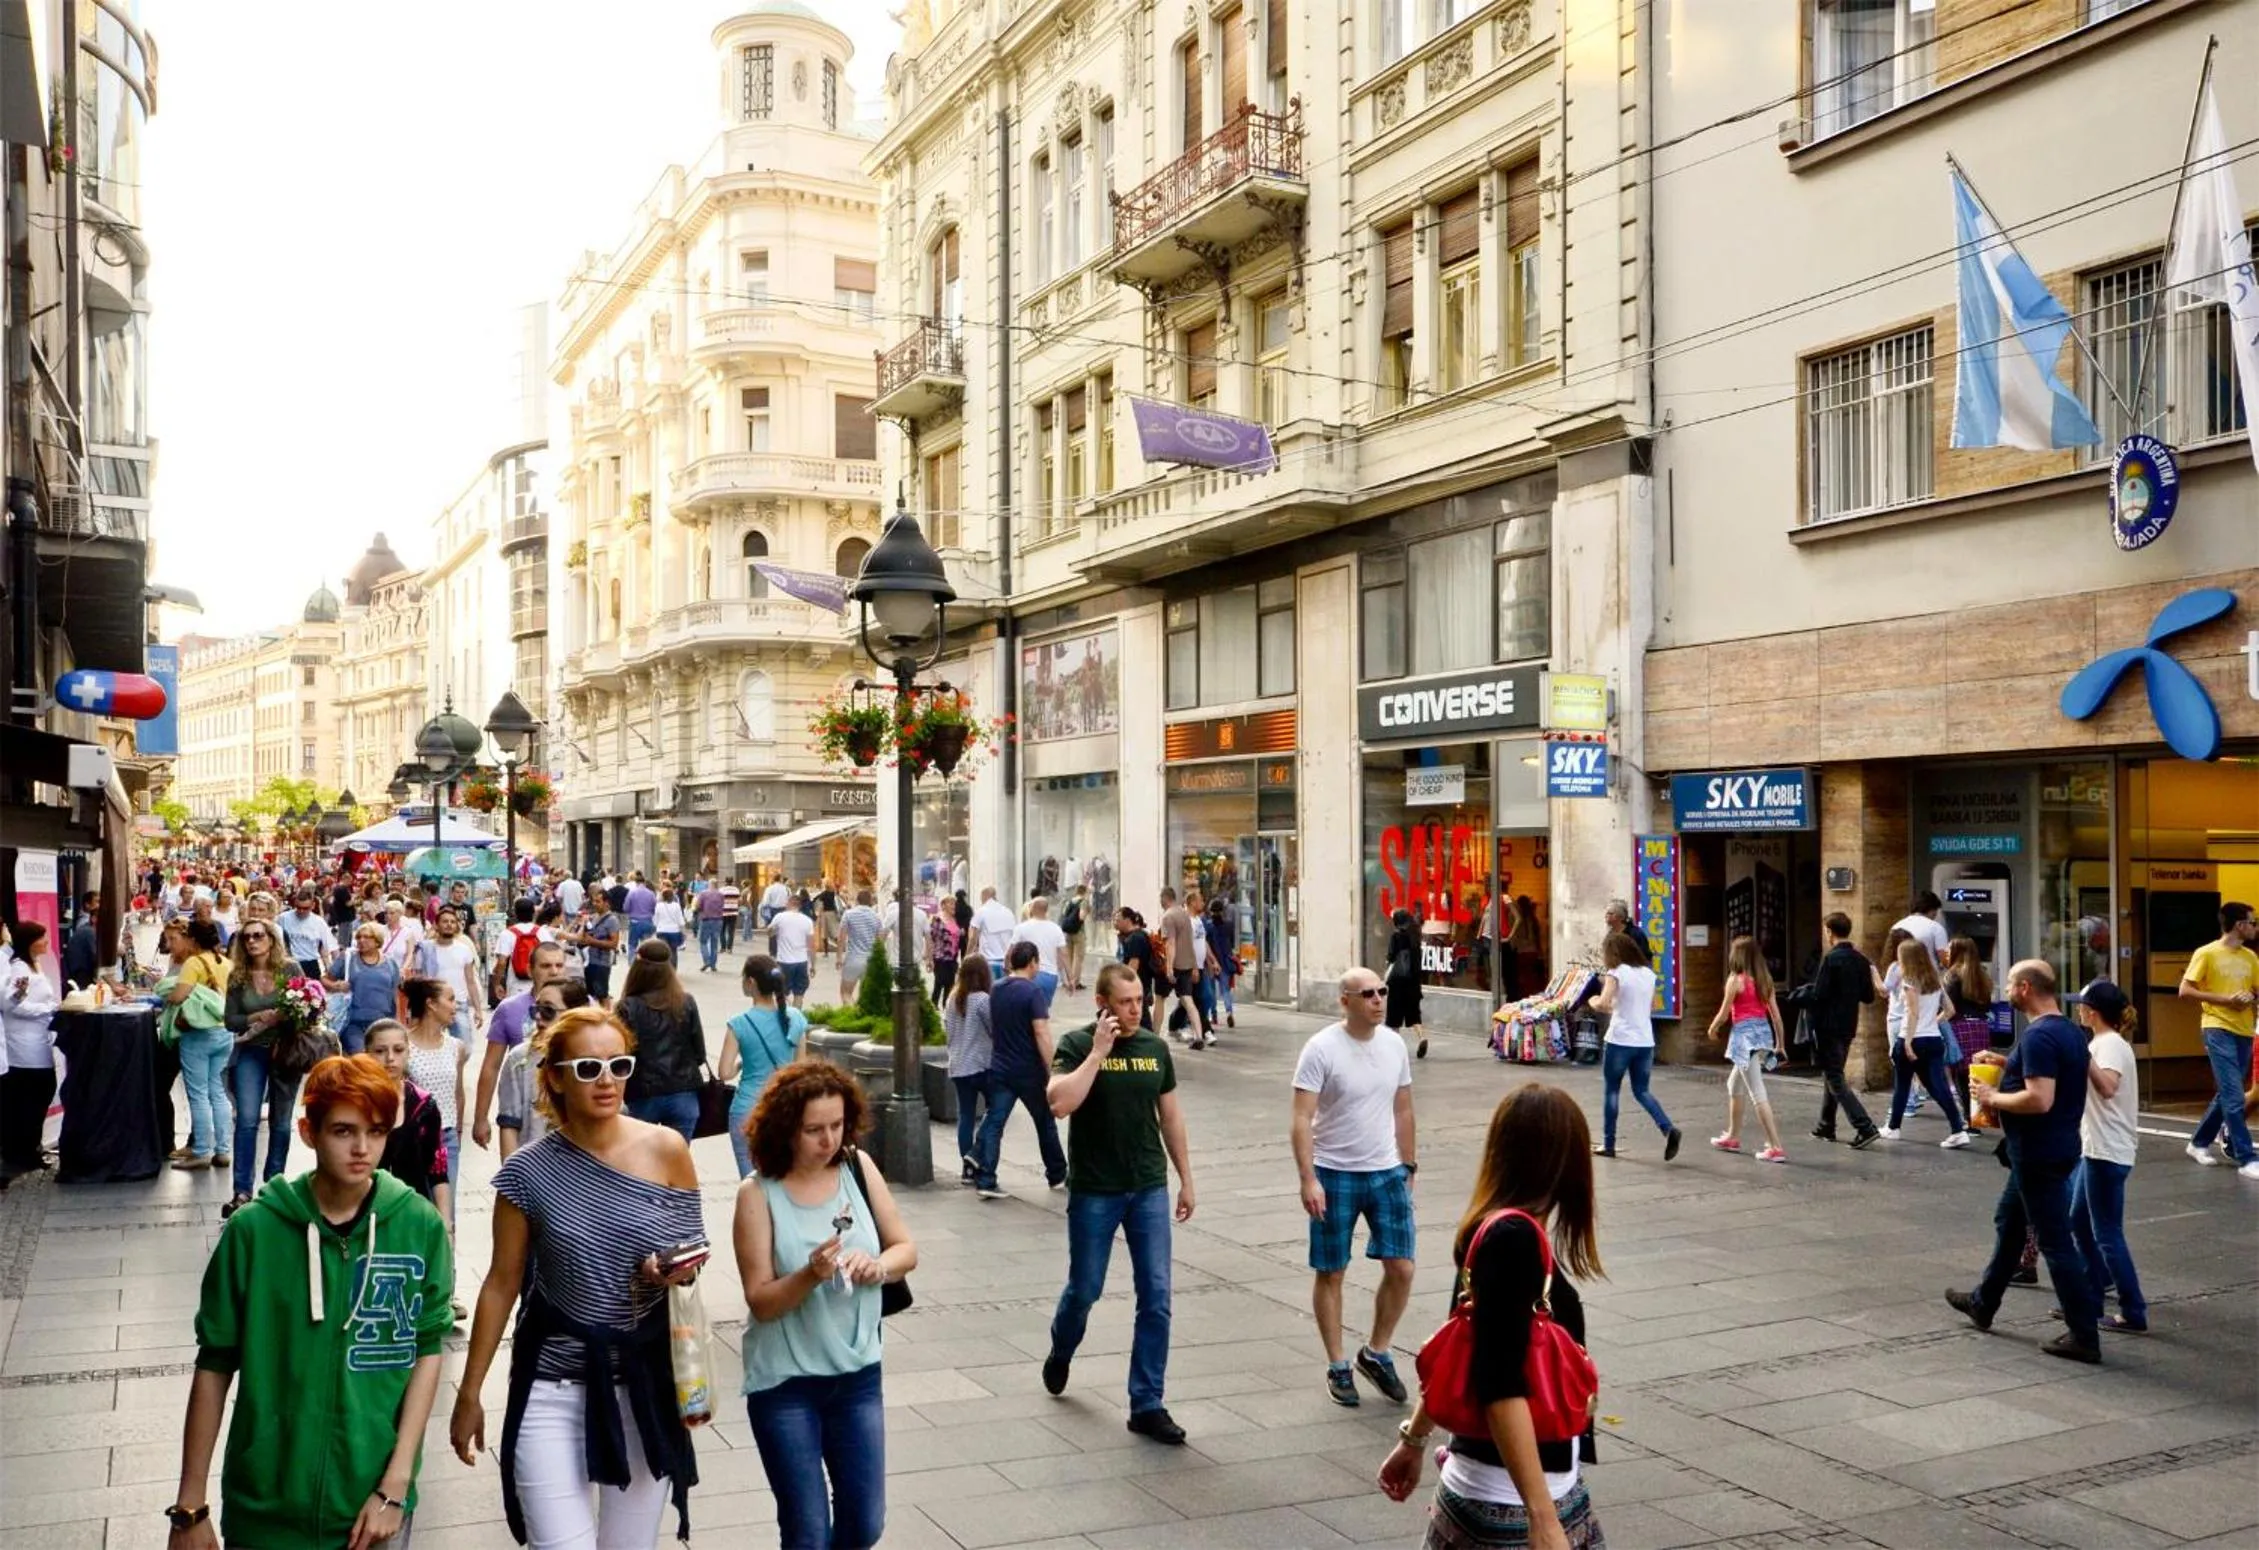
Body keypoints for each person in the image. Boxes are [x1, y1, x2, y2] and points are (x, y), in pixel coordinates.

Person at [165, 1055, 452, 1550]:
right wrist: (190, 1508)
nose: (363, 1148)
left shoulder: (418, 1225)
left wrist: (397, 1482)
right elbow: (214, 1364)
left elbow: (427, 1348)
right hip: (266, 1507)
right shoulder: (253, 1231)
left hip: (372, 1506)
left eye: (377, 1131)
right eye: (344, 1131)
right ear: (307, 1131)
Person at [450, 1007, 706, 1548]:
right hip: (552, 1385)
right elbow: (501, 1282)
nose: (608, 1079)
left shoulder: (667, 1149)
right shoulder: (526, 1172)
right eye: (589, 1068)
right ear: (557, 1077)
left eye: (619, 1064)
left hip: (641, 1384)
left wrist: (666, 1268)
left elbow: (691, 1252)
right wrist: (470, 1392)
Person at [1376, 1083, 1606, 1550]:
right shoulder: (1512, 1241)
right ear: (1559, 1162)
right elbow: (1499, 1381)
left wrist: (1414, 1439)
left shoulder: (1494, 1228)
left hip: (1512, 1490)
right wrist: (1541, 1519)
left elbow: (1460, 1349)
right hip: (1511, 1502)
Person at [733, 1060, 918, 1549]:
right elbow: (761, 1301)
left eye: (836, 1125)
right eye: (813, 1129)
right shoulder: (757, 1193)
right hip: (785, 1385)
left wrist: (879, 1266)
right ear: (785, 1128)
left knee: (865, 1523)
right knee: (808, 1532)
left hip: (857, 1375)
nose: (828, 1140)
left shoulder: (858, 1167)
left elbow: (905, 1249)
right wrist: (810, 1275)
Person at [1039, 962, 1196, 1445]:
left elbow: (1170, 1116)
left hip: (1147, 1185)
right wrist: (1098, 1055)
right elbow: (1058, 1103)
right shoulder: (1076, 1044)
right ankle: (1062, 1348)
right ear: (1102, 1004)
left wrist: (1186, 1179)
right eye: (1126, 1002)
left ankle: (1146, 1403)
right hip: (1095, 1189)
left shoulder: (1155, 1048)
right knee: (1085, 1289)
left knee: (1157, 1296)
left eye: (1140, 1001)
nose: (1136, 1010)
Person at [1950, 959, 2102, 1363]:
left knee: (2055, 1242)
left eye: (2011, 983)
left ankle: (2085, 1334)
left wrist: (1992, 1098)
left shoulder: (2039, 1038)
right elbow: (2068, 1076)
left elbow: (2040, 1099)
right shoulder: (2070, 1030)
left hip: (2039, 1152)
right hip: (2050, 1148)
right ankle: (1984, 1302)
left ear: (2026, 989)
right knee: (2010, 1222)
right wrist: (2007, 1063)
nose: (2006, 989)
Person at [1293, 967, 1417, 1409]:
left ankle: (1377, 1352)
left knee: (1402, 1267)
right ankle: (1338, 1364)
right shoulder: (1321, 1049)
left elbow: (1403, 1108)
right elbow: (1301, 1119)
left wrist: (1409, 1163)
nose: (1379, 1000)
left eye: (1382, 991)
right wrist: (1308, 1178)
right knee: (1332, 1271)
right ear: (1345, 1001)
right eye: (1368, 994)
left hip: (1386, 1171)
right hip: (1334, 1172)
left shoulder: (1394, 1044)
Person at [2067, 980, 2147, 1334]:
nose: (2077, 1010)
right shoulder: (2100, 1043)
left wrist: (2082, 1056)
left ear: (2093, 1012)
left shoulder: (2110, 1045)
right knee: (2079, 1221)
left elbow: (2109, 1087)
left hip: (2108, 1151)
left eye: (2081, 1005)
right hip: (2096, 1148)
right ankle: (2089, 1298)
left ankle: (2133, 1311)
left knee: (2107, 1233)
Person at [971, 942, 1067, 1199]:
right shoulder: (1032, 992)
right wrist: (1054, 1068)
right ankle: (1057, 1174)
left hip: (1001, 1067)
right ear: (1033, 961)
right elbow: (1041, 1032)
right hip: (1029, 1070)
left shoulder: (997, 988)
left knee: (994, 1122)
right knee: (1045, 1123)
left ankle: (986, 1178)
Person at [2180, 902, 2259, 1176]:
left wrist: (2250, 997)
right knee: (2234, 1094)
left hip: (2244, 1029)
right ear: (2239, 925)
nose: (2255, 927)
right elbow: (2185, 990)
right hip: (2216, 1027)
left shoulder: (2250, 957)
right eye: (2252, 922)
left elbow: (2256, 989)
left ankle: (2199, 1142)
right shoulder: (2207, 953)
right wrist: (2225, 1000)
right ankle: (2245, 1156)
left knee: (2229, 1091)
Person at [1592, 931, 1679, 1161]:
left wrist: (1593, 1002)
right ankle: (1667, 1127)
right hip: (1645, 1040)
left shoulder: (1616, 973)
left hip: (1620, 1039)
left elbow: (1603, 1003)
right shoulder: (1648, 974)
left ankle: (1608, 1143)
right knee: (1642, 1090)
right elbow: (1645, 1008)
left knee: (1612, 1090)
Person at [720, 954, 808, 1179]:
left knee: (751, 1182)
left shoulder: (739, 1024)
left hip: (746, 1109)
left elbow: (724, 1073)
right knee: (785, 1178)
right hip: (784, 1108)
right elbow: (801, 1069)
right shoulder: (796, 1018)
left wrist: (742, 1064)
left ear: (751, 983)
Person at [473, 940, 565, 1151]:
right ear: (530, 970)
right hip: (524, 1116)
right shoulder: (509, 1009)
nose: (554, 971)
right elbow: (492, 1065)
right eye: (545, 966)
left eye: (559, 965)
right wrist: (480, 1118)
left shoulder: (583, 1005)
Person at [615, 937, 709, 1142]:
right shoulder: (686, 1002)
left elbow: (620, 1055)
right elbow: (699, 1054)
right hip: (683, 1092)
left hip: (642, 1093)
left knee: (640, 1163)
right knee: (676, 1161)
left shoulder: (627, 1007)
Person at [1880, 939, 1972, 1148]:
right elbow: (1950, 1011)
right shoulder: (1935, 982)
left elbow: (1913, 1013)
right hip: (1933, 1039)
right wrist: (1932, 1022)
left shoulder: (1910, 983)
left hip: (1911, 1037)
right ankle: (1958, 1129)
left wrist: (1909, 1042)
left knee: (1902, 1084)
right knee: (1938, 1086)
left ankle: (1893, 1127)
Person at [1705, 935, 1788, 1162]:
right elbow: (1777, 1017)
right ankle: (1732, 1135)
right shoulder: (1765, 979)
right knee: (1734, 1083)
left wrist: (1712, 1029)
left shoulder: (1735, 980)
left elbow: (1724, 1013)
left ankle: (1775, 1146)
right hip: (1763, 1035)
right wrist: (1780, 1044)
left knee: (1757, 1091)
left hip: (1743, 1038)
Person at [363, 1018, 452, 1216]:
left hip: (413, 1213)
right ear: (366, 1055)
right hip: (363, 1215)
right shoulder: (354, 1104)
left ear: (408, 1053)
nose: (390, 1058)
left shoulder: (424, 1105)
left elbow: (438, 1170)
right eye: (380, 1051)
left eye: (398, 1050)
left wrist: (446, 1226)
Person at [401, 978, 470, 1233]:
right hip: (413, 1139)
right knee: (417, 1210)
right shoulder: (403, 1047)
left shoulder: (456, 1047)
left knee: (445, 1215)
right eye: (450, 999)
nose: (456, 1005)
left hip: (447, 1137)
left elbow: (458, 1093)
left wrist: (458, 1133)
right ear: (430, 1004)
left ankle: (447, 1270)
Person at [1806, 913, 1880, 1148]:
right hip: (1849, 1025)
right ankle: (1825, 1125)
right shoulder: (1860, 959)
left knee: (1835, 1077)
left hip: (1828, 1026)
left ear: (1829, 931)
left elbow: (1820, 994)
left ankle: (1864, 1126)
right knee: (1833, 1073)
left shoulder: (1831, 959)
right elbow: (1868, 997)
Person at [497, 976, 592, 1158]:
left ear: (576, 1013)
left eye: (548, 1010)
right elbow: (509, 1124)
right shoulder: (520, 1058)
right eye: (535, 1009)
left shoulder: (595, 1059)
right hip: (534, 1171)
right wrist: (510, 1179)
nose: (538, 1016)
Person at [2, 924, 61, 1182]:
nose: (47, 941)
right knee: (35, 1093)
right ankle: (23, 1150)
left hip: (39, 1039)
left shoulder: (33, 966)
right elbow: (11, 1004)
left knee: (41, 1092)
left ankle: (30, 1148)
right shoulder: (19, 969)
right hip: (24, 1045)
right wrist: (47, 1009)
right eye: (42, 937)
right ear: (31, 942)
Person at [943, 957, 994, 1185]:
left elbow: (948, 1031)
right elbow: (995, 1029)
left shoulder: (953, 999)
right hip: (981, 1065)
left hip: (958, 1064)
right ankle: (977, 1154)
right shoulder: (983, 1000)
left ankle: (966, 1168)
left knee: (965, 1116)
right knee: (995, 1111)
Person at [326, 920, 402, 1057]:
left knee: (381, 1062)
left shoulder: (390, 963)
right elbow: (324, 979)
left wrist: (398, 1022)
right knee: (361, 1059)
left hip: (382, 1023)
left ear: (377, 940)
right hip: (353, 1022)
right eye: (359, 937)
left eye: (367, 937)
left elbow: (395, 993)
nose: (361, 940)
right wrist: (335, 986)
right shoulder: (348, 957)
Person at [1943, 936, 1994, 1126]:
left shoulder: (1952, 976)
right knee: (1977, 1073)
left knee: (1960, 1074)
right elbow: (1987, 1005)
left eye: (1949, 949)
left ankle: (1967, 1119)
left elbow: (1949, 1006)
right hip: (1980, 1027)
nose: (1946, 953)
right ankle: (1980, 1115)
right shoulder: (1982, 975)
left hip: (1960, 1027)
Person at [416, 905, 486, 1043]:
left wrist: (478, 1010)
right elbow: (418, 979)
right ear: (436, 925)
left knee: (464, 1048)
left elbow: (470, 981)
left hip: (458, 1005)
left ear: (457, 926)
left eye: (452, 922)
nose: (449, 925)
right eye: (445, 921)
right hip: (432, 1006)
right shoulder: (425, 949)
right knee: (432, 1048)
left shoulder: (464, 949)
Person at [1156, 887, 1210, 1049]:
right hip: (1187, 964)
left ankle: (1155, 1035)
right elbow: (1190, 943)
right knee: (1188, 999)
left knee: (1160, 998)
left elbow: (1170, 943)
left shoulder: (1168, 917)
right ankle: (1198, 1036)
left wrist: (1169, 967)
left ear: (1165, 898)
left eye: (1160, 899)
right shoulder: (1185, 916)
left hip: (1173, 965)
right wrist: (1193, 965)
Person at [1384, 908, 1426, 1061]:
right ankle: (1422, 1038)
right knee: (1414, 1014)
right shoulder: (1415, 936)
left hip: (1398, 982)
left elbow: (1391, 956)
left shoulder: (1396, 936)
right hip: (1413, 982)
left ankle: (1396, 1047)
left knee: (1394, 1016)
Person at [1013, 895, 1067, 1006]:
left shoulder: (1021, 928)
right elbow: (1064, 954)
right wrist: (1070, 978)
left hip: (1027, 973)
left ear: (1031, 908)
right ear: (1046, 910)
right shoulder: (1056, 929)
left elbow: (1010, 952)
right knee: (1042, 1010)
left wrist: (1009, 969)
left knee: (1025, 1009)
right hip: (1049, 976)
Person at [769, 893, 816, 1008]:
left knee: (782, 994)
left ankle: (784, 1017)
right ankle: (796, 1017)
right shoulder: (807, 921)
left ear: (789, 903)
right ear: (799, 905)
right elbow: (811, 946)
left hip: (784, 961)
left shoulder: (780, 917)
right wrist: (813, 965)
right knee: (799, 994)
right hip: (801, 961)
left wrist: (774, 931)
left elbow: (770, 932)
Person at [574, 894, 622, 1004]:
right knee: (589, 995)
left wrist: (592, 941)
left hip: (602, 963)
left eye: (598, 901)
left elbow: (614, 944)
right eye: (594, 901)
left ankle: (606, 1019)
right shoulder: (594, 917)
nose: (594, 904)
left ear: (606, 903)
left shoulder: (612, 920)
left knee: (602, 995)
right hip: (589, 961)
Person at [279, 889, 338, 979]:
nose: (301, 911)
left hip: (310, 964)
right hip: (289, 963)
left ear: (313, 906)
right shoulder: (283, 918)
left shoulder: (319, 922)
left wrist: (335, 970)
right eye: (298, 907)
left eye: (305, 908)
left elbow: (331, 947)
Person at [836, 889, 883, 1003]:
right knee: (865, 997)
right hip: (870, 960)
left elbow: (841, 938)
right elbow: (880, 941)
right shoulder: (876, 917)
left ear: (857, 900)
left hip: (853, 958)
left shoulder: (849, 914)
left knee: (846, 993)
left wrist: (839, 958)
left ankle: (851, 1014)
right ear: (870, 901)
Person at [1116, 907, 1157, 1030]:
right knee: (1140, 1017)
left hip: (1138, 985)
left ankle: (1151, 1045)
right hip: (1141, 985)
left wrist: (1123, 984)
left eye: (1118, 919)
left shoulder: (1135, 939)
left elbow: (1133, 966)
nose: (1115, 922)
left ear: (1127, 920)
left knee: (1142, 1018)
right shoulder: (1138, 935)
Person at [1892, 891, 1950, 968]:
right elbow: (1944, 960)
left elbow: (1890, 956)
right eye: (1936, 911)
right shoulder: (1936, 928)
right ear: (1932, 909)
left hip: (1902, 975)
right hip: (1928, 976)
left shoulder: (1896, 926)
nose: (1936, 915)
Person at [1205, 895, 1238, 1030]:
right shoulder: (1229, 925)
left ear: (1211, 911)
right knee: (1225, 990)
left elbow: (1205, 944)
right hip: (1225, 961)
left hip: (1212, 962)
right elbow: (1232, 942)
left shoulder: (1207, 926)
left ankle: (1214, 1015)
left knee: (1211, 990)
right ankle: (1229, 1011)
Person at [971, 886, 1018, 979]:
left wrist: (967, 957)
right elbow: (1014, 938)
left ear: (984, 897)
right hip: (1005, 963)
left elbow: (972, 938)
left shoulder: (981, 912)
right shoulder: (1008, 912)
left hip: (988, 962)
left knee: (988, 990)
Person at [61, 892, 101, 988]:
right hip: (81, 975)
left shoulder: (88, 930)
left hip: (79, 973)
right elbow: (97, 958)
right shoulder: (89, 932)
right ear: (94, 919)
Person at [927, 899, 962, 1006]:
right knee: (939, 983)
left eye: (954, 903)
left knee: (950, 984)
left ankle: (946, 1007)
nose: (953, 906)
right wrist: (929, 959)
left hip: (952, 958)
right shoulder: (937, 919)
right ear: (943, 905)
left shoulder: (955, 920)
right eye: (951, 903)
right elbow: (931, 939)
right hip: (940, 957)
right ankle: (934, 1007)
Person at [695, 879, 729, 973]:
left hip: (706, 920)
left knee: (703, 942)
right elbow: (722, 906)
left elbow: (698, 906)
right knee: (714, 943)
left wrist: (700, 910)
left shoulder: (703, 894)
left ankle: (707, 961)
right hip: (718, 920)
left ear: (709, 884)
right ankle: (713, 965)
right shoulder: (721, 895)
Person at [1061, 886, 1089, 995]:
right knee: (1078, 957)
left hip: (1068, 932)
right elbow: (1081, 917)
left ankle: (1068, 980)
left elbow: (1064, 914)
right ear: (1085, 892)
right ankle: (1076, 982)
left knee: (1070, 957)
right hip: (1078, 933)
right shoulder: (1083, 902)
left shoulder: (1069, 901)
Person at [623, 872, 658, 953]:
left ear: (636, 882)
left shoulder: (631, 893)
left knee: (632, 946)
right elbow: (654, 907)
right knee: (646, 947)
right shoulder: (651, 894)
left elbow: (626, 908)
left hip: (635, 922)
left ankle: (632, 963)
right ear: (644, 882)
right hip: (647, 922)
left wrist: (631, 911)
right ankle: (646, 963)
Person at [652, 884, 687, 964]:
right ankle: (673, 970)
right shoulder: (676, 906)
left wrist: (655, 929)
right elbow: (680, 921)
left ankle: (664, 969)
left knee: (663, 951)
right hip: (674, 931)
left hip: (661, 931)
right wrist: (683, 932)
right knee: (673, 951)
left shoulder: (658, 906)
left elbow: (655, 920)